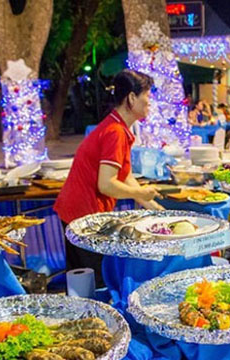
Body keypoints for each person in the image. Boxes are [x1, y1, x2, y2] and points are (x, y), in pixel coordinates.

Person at [54, 69, 164, 286]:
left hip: (79, 210)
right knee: (93, 281)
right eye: (147, 96)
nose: (150, 102)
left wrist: (156, 208)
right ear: (131, 98)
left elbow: (125, 176)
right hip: (84, 213)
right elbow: (106, 184)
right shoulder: (115, 132)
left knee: (84, 279)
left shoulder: (118, 127)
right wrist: (141, 193)